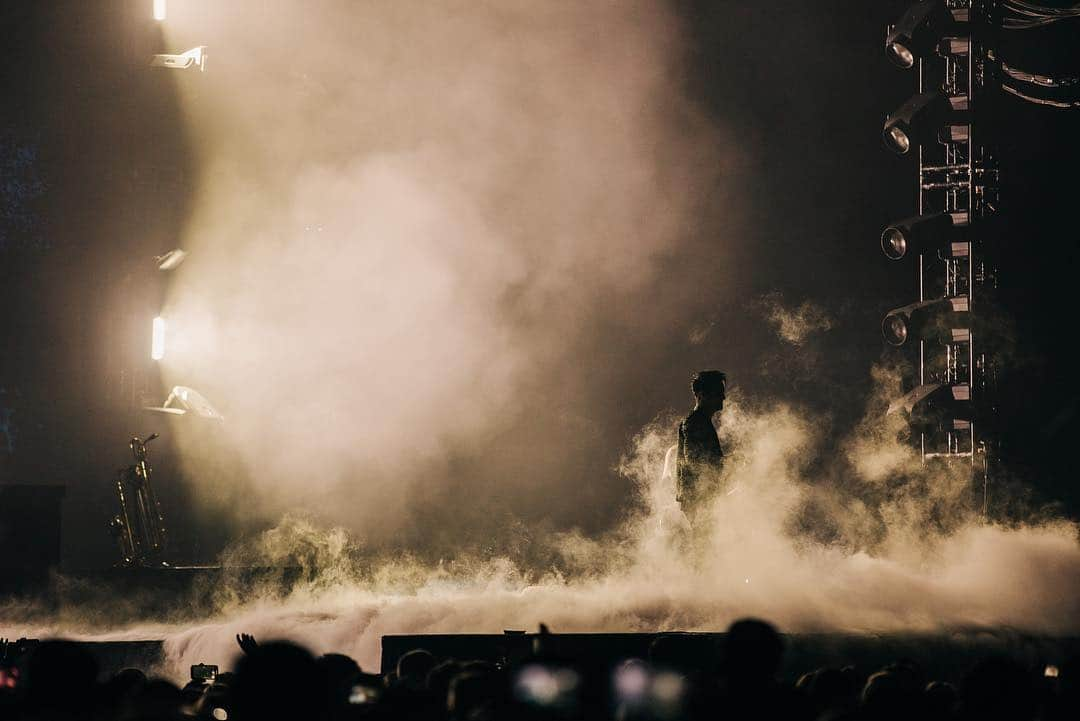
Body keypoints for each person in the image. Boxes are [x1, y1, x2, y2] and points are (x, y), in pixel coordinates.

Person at [676, 370, 726, 520]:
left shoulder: (700, 421)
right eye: (718, 393)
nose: (723, 397)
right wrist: (726, 463)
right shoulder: (694, 423)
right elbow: (695, 462)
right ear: (701, 395)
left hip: (700, 501)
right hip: (699, 503)